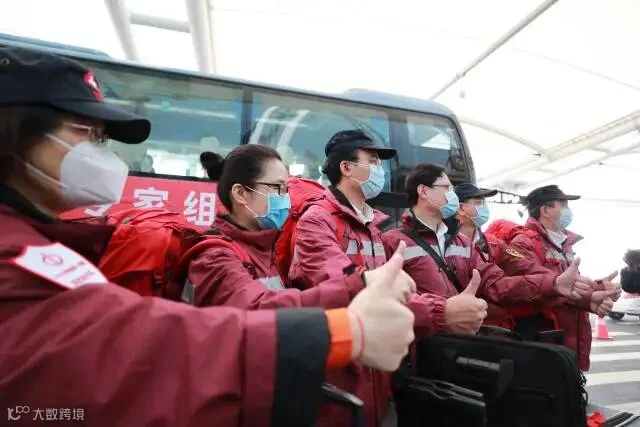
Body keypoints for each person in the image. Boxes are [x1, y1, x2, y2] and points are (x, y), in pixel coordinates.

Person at [0, 47, 417, 427]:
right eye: (91, 135)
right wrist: (344, 329)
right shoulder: (214, 253)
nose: (104, 155)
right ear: (16, 132)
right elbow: (138, 350)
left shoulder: (42, 242)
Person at [288, 130, 488, 427]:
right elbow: (351, 289)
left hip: (375, 368)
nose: (379, 169)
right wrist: (440, 310)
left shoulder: (372, 225)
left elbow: (388, 289)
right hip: (340, 368)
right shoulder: (317, 220)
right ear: (346, 167)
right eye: (371, 161)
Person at [381, 163, 599, 328]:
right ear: (423, 191)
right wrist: (442, 311)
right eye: (447, 188)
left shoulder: (464, 244)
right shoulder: (393, 241)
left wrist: (553, 283)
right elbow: (385, 300)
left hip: (461, 344)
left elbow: (497, 284)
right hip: (416, 348)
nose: (452, 195)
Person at [178, 146, 365, 309]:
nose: (285, 199)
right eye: (277, 188)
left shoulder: (266, 249)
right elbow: (260, 308)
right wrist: (355, 286)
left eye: (286, 190)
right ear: (241, 193)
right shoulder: (215, 259)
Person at [500, 185, 621, 370]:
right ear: (545, 210)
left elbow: (570, 283)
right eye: (563, 205)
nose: (568, 211)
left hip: (568, 339)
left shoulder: (563, 243)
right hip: (543, 341)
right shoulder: (522, 243)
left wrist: (600, 288)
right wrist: (590, 296)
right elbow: (539, 283)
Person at [455, 183, 504, 263]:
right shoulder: (445, 244)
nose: (484, 207)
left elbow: (520, 263)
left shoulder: (492, 242)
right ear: (461, 209)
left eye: (484, 202)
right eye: (479, 203)